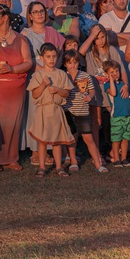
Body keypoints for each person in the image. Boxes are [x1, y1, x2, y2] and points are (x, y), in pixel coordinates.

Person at [0, 5, 33, 171]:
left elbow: (28, 62)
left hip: (15, 87)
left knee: (13, 123)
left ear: (5, 18)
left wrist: (12, 69)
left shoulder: (20, 39)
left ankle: (12, 157)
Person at [23, 1, 66, 162]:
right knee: (36, 114)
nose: (39, 14)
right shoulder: (25, 34)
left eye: (41, 11)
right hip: (35, 76)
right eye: (35, 12)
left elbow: (60, 53)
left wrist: (55, 68)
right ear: (30, 15)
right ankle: (35, 151)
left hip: (53, 75)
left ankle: (49, 147)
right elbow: (26, 57)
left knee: (50, 113)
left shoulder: (52, 31)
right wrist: (42, 71)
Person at [28, 43, 75, 176]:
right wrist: (43, 84)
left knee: (57, 140)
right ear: (42, 58)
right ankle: (42, 167)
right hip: (43, 110)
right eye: (48, 56)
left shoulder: (61, 74)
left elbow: (66, 93)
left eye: (54, 56)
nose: (51, 59)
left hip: (56, 110)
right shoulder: (38, 75)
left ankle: (59, 167)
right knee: (42, 141)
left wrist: (57, 90)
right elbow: (35, 94)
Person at [61, 49, 106, 172]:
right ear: (65, 64)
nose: (73, 65)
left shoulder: (85, 76)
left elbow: (92, 91)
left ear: (79, 62)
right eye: (69, 63)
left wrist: (90, 96)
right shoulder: (63, 76)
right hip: (68, 110)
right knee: (72, 137)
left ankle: (98, 164)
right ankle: (73, 161)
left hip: (82, 110)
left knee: (88, 137)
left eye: (75, 62)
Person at [101, 59, 130, 167]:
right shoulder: (107, 85)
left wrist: (125, 85)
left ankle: (124, 158)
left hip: (127, 115)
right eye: (112, 72)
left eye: (116, 71)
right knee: (116, 140)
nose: (115, 74)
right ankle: (117, 159)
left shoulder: (123, 84)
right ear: (107, 74)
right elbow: (113, 93)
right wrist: (110, 80)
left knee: (125, 139)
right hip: (117, 116)